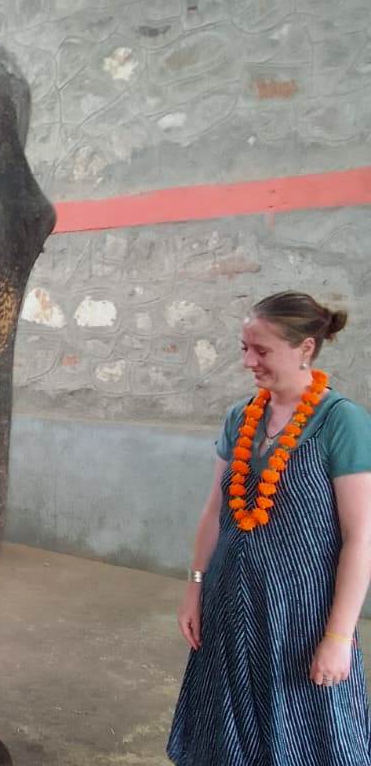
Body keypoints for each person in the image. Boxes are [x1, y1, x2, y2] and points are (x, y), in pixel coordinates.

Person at [168, 291, 371, 765]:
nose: (248, 362)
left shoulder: (342, 422)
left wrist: (339, 637)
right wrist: (195, 588)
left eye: (262, 350)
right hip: (229, 603)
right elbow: (215, 508)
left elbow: (361, 536)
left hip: (301, 617)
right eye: (244, 347)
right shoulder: (241, 417)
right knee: (223, 735)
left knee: (308, 735)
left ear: (305, 349)